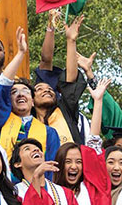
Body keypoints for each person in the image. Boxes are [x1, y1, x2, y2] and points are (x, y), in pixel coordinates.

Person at [0, 28, 61, 163]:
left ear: (33, 101)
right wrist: (21, 53)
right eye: (14, 92)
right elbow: (3, 85)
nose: (20, 95)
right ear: (7, 101)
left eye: (25, 91)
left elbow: (52, 169)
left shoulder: (49, 133)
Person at [33, 14, 90, 145]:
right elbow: (46, 61)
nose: (47, 90)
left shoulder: (65, 111)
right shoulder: (26, 120)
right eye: (39, 89)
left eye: (49, 89)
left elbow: (70, 80)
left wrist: (71, 41)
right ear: (31, 100)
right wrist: (51, 25)